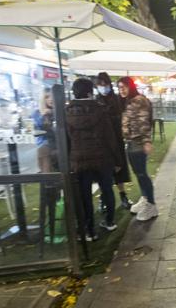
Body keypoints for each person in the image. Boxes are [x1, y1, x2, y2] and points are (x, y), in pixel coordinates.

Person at [66, 78, 121, 241]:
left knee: (84, 196)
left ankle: (88, 230)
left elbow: (66, 139)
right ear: (90, 92)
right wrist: (117, 160)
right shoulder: (100, 110)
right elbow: (110, 137)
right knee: (107, 190)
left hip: (79, 160)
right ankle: (109, 221)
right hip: (103, 158)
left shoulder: (67, 113)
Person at [118, 77, 158, 221]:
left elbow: (144, 121)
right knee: (139, 173)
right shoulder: (129, 101)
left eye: (124, 86)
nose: (121, 89)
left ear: (130, 86)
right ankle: (146, 198)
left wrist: (146, 141)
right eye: (119, 87)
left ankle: (151, 205)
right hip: (131, 141)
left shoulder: (139, 100)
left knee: (142, 174)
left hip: (138, 142)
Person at [95, 72, 133, 217]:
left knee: (120, 170)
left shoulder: (117, 100)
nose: (103, 87)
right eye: (101, 85)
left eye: (106, 84)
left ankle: (123, 196)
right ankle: (103, 199)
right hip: (102, 143)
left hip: (116, 140)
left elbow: (124, 116)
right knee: (103, 174)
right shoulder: (96, 101)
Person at [32, 89, 57, 173]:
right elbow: (36, 128)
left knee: (43, 151)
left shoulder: (59, 111)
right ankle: (47, 180)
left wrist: (53, 113)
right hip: (45, 142)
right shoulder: (37, 113)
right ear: (43, 99)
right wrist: (43, 115)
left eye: (52, 96)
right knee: (43, 150)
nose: (50, 99)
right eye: (47, 97)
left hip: (58, 142)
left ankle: (47, 181)